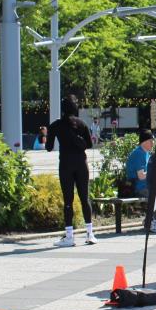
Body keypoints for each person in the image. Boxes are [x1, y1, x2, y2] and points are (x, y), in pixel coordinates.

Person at [47, 95, 97, 247]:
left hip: (66, 165)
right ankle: (90, 233)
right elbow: (89, 144)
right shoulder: (82, 124)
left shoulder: (56, 125)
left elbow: (49, 147)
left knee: (68, 200)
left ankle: (69, 236)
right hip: (81, 163)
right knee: (85, 198)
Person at [124, 130, 156, 233]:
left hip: (147, 186)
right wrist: (155, 173)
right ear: (144, 142)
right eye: (151, 141)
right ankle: (151, 221)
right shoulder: (139, 153)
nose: (153, 143)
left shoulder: (145, 153)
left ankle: (153, 221)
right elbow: (141, 176)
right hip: (139, 188)